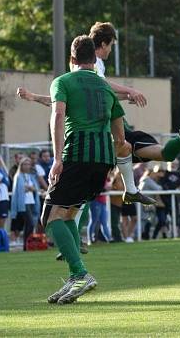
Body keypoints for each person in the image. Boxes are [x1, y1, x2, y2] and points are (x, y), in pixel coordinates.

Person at [18, 21, 180, 206]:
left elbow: (85, 100)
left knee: (141, 154)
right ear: (101, 45)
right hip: (104, 131)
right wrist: (129, 91)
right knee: (150, 151)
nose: (111, 50)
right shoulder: (94, 65)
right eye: (110, 45)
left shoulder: (75, 74)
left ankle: (131, 191)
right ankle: (176, 145)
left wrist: (34, 97)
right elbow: (101, 88)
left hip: (107, 133)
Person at [42, 35, 130, 304]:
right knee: (68, 214)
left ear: (72, 59)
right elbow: (120, 135)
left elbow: (57, 115)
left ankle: (80, 274)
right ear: (95, 59)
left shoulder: (63, 82)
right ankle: (74, 277)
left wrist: (57, 158)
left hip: (77, 156)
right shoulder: (105, 87)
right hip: (102, 161)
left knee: (50, 217)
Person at [10, 156, 40, 250]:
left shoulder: (31, 176)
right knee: (30, 223)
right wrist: (25, 189)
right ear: (21, 165)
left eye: (28, 164)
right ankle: (26, 244)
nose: (27, 166)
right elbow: (16, 191)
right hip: (23, 204)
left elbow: (36, 189)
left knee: (29, 224)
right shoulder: (18, 176)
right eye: (25, 164)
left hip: (32, 202)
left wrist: (32, 188)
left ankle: (27, 245)